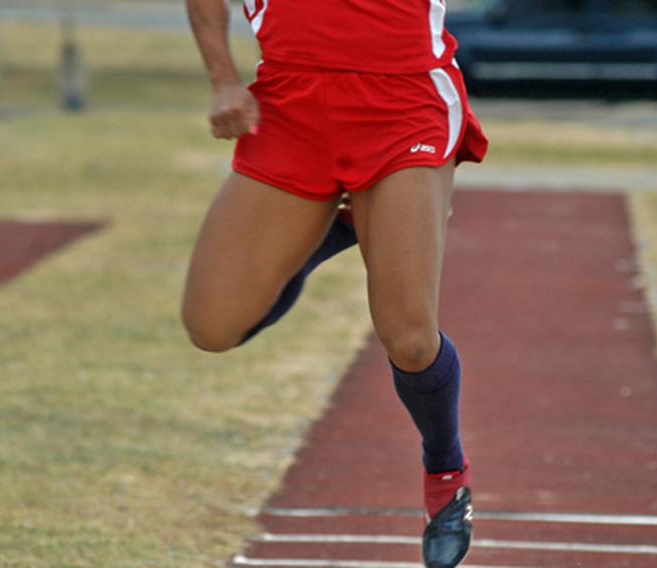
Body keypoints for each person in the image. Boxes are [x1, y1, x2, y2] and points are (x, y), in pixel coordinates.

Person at [180, 0, 488, 565]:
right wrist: (224, 79)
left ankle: (446, 471)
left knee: (411, 338)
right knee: (212, 326)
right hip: (292, 102)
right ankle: (331, 230)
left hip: (404, 99)